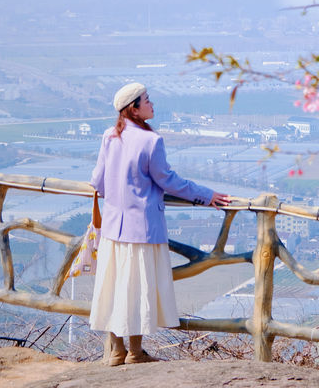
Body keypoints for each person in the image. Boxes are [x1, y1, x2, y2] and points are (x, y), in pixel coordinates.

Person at [89, 81, 230, 366]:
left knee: (114, 286)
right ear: (135, 108)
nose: (152, 104)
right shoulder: (151, 142)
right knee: (138, 288)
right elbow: (169, 181)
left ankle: (116, 351)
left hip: (113, 227)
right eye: (147, 100)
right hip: (143, 228)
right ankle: (135, 352)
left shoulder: (108, 137)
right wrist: (207, 195)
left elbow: (98, 183)